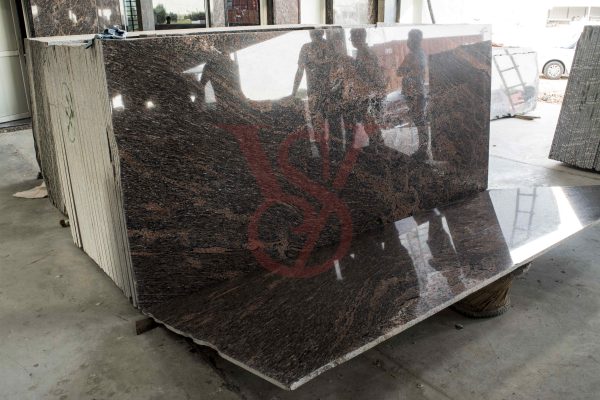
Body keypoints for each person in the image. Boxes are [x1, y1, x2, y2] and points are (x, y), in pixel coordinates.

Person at [397, 29, 428, 160]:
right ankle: (423, 149)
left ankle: (423, 151)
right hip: (415, 92)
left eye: (410, 38)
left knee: (420, 122)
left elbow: (400, 71)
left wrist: (407, 70)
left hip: (415, 93)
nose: (408, 41)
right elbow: (400, 72)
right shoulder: (420, 54)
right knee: (419, 121)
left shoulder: (414, 55)